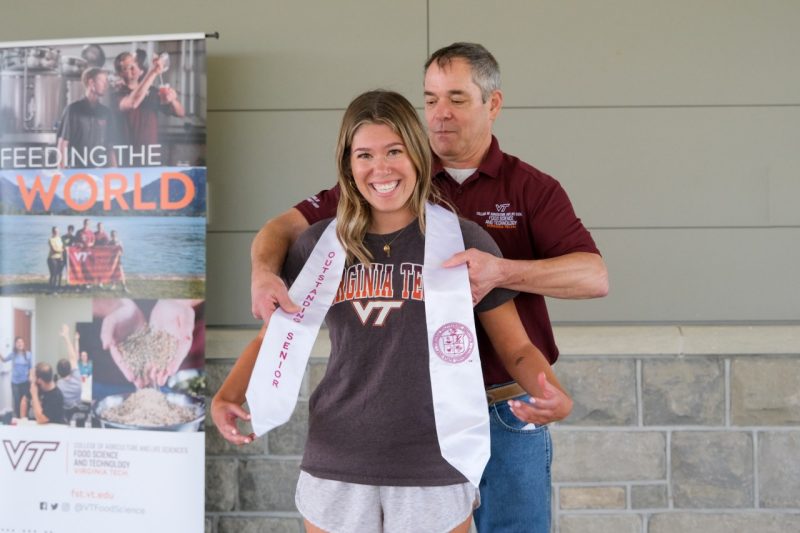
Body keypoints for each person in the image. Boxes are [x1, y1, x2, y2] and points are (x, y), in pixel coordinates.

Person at [249, 43, 609, 532]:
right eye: (431, 99)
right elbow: (281, 229)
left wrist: (503, 272)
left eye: (457, 99)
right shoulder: (392, 176)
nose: (440, 114)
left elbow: (593, 276)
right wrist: (262, 274)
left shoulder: (531, 188)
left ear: (493, 105)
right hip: (418, 419)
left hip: (504, 402)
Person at [112, 51, 185, 151]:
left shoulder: (153, 92)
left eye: (134, 65)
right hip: (126, 156)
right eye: (128, 67)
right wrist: (153, 71)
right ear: (120, 73)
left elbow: (181, 113)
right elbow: (133, 102)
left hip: (150, 155)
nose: (133, 69)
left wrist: (173, 100)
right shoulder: (117, 94)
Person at [56, 67, 114, 169]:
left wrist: (115, 172)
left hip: (99, 173)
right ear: (91, 83)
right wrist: (62, 173)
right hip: (76, 173)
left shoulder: (106, 113)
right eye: (102, 81)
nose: (106, 85)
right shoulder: (72, 110)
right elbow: (62, 143)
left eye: (106, 81)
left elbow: (110, 146)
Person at [56, 325, 84, 419]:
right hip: (78, 414)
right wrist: (66, 336)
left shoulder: (58, 384)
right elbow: (73, 358)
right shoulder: (77, 378)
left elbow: (73, 357)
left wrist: (72, 339)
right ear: (70, 369)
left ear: (58, 373)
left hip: (64, 416)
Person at [2, 337, 32, 418]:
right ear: (15, 345)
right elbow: (4, 360)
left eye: (21, 342)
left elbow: (31, 368)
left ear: (23, 344)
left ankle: (25, 417)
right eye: (18, 342)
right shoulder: (13, 354)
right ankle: (19, 418)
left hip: (25, 382)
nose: (20, 343)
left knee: (25, 401)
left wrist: (30, 377)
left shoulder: (28, 354)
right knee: (17, 401)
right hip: (15, 382)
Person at [47, 226, 64, 292]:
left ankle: (57, 287)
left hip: (59, 259)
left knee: (59, 274)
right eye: (55, 231)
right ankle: (52, 289)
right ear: (52, 232)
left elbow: (62, 247)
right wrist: (62, 250)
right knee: (53, 274)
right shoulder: (50, 239)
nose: (56, 232)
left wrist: (62, 256)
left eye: (57, 231)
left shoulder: (60, 239)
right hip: (52, 259)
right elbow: (54, 250)